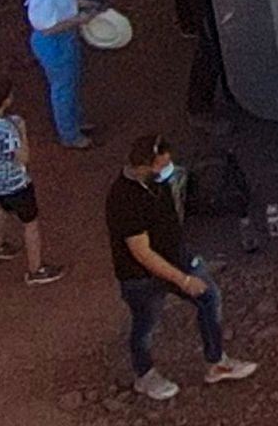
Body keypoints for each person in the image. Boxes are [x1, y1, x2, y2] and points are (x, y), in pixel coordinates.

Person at [108, 135, 256, 400]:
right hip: (141, 277)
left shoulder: (157, 183)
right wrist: (183, 280)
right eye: (161, 164)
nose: (167, 168)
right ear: (143, 166)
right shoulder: (124, 200)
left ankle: (217, 361)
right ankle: (145, 375)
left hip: (177, 258)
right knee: (145, 325)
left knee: (210, 297)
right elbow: (142, 254)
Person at [0, 88, 59, 286]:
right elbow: (24, 158)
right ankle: (36, 270)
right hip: (15, 182)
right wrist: (22, 131)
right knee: (30, 223)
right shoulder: (9, 127)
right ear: (4, 101)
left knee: (4, 207)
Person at [24, 0, 93, 150]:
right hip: (54, 44)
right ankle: (69, 134)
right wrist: (78, 19)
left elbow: (66, 1)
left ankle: (75, 120)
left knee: (72, 81)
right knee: (63, 87)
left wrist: (83, 4)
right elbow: (46, 29)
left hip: (66, 38)